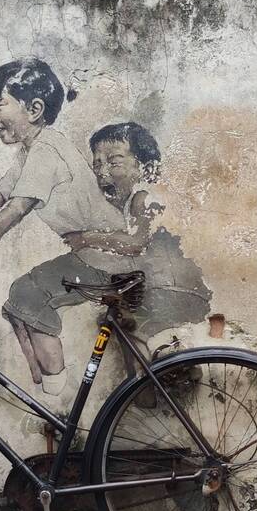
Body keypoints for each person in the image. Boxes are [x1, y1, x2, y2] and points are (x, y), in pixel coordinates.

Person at [0, 58, 130, 393]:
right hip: (91, 254)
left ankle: (57, 394)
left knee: (28, 295)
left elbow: (18, 206)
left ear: (34, 109)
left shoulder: (47, 150)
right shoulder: (31, 152)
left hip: (106, 254)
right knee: (20, 297)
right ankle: (48, 388)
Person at [63, 122, 212, 368]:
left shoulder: (143, 198)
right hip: (162, 289)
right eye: (97, 163)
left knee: (124, 325)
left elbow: (135, 243)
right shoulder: (127, 204)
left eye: (114, 161)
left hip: (173, 291)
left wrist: (85, 238)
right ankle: (147, 389)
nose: (102, 171)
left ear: (145, 167)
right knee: (119, 324)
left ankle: (160, 380)